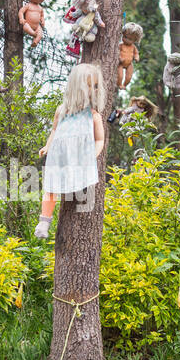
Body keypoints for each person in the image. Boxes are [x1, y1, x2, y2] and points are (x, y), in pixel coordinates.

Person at [34, 63, 105, 238]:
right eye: (88, 85)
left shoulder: (93, 115)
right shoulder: (62, 110)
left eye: (94, 86)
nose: (92, 90)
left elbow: (99, 139)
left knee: (78, 187)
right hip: (59, 158)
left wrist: (92, 155)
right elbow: (54, 130)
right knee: (50, 188)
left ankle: (77, 203)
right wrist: (47, 146)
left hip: (79, 160)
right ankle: (44, 221)